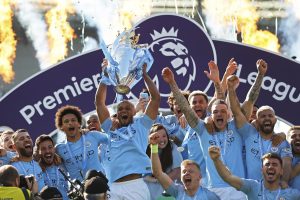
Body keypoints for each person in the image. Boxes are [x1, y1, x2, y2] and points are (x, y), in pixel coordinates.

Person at [162, 66, 246, 199]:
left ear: (207, 107)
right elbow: (184, 107)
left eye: (201, 102)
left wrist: (220, 79)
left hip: (217, 182)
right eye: (194, 103)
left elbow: (219, 98)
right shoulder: (187, 127)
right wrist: (172, 83)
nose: (197, 105)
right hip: (200, 184)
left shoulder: (211, 122)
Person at [95, 60, 160, 200]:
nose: (123, 111)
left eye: (127, 108)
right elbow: (99, 103)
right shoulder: (109, 128)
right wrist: (104, 77)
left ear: (133, 112)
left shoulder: (142, 125)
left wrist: (144, 75)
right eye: (120, 109)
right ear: (117, 113)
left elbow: (155, 98)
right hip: (112, 187)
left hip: (135, 185)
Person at [227, 74, 293, 184]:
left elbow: (286, 164)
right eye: (263, 116)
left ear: (275, 120)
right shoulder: (249, 134)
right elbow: (237, 112)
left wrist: (283, 183)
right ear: (256, 120)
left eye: (270, 116)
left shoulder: (282, 142)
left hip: (270, 191)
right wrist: (230, 89)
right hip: (248, 191)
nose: (267, 118)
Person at [149, 130, 220, 200]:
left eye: (191, 171)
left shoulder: (210, 196)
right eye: (184, 172)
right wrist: (154, 146)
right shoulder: (177, 191)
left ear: (199, 177)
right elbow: (158, 173)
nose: (186, 173)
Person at [209, 146, 300, 199]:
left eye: (275, 164)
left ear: (281, 171)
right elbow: (228, 177)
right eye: (267, 164)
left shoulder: (292, 194)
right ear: (262, 170)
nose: (270, 166)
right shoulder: (252, 187)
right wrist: (216, 160)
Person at [55, 105, 108, 182]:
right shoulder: (58, 149)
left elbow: (114, 139)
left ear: (79, 123)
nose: (70, 123)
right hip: (81, 191)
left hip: (102, 184)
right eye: (66, 121)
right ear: (61, 127)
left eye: (73, 120)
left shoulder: (92, 135)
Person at [145, 124, 183, 200]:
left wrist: (158, 179)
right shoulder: (146, 149)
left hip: (166, 192)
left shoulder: (172, 147)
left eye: (164, 136)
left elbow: (177, 171)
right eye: (157, 137)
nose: (161, 139)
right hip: (149, 191)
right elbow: (144, 174)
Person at [34, 134, 69, 200]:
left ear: (54, 148)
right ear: (38, 152)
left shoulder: (63, 163)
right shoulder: (36, 170)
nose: (47, 151)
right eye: (43, 149)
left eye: (50, 147)